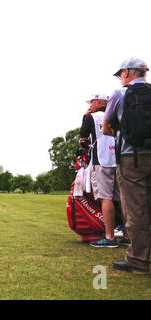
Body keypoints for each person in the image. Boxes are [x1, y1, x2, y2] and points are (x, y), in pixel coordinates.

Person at [103, 57, 151, 274]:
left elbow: (106, 128)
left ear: (128, 73)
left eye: (121, 73)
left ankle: (138, 260)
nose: (120, 77)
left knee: (136, 210)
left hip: (131, 159)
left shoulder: (119, 94)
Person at [79, 93, 121, 248]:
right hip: (118, 158)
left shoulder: (93, 116)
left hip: (101, 159)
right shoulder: (116, 114)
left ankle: (109, 237)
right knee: (120, 198)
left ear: (98, 101)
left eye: (91, 102)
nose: (90, 105)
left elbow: (83, 134)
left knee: (105, 197)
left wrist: (85, 116)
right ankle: (127, 234)